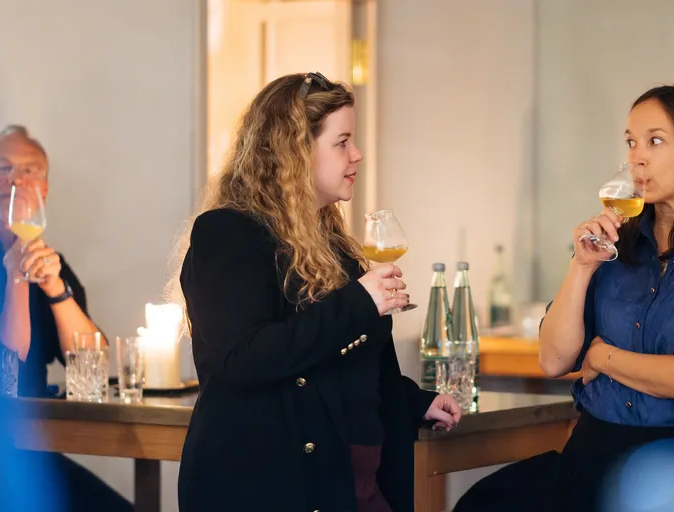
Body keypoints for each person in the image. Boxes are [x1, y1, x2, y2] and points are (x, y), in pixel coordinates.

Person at [454, 85, 674, 512]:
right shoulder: (614, 244)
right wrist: (582, 266)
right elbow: (553, 360)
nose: (637, 157)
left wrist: (601, 357)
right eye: (631, 142)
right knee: (482, 502)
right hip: (594, 451)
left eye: (655, 141)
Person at [174, 72, 462, 512]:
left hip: (351, 485)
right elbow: (241, 358)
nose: (357, 154)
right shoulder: (227, 232)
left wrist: (413, 401)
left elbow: (350, 367)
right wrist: (359, 303)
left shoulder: (333, 243)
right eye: (342, 142)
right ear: (296, 152)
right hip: (269, 487)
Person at [0, 125, 132, 512]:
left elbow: (92, 368)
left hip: (31, 450)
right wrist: (16, 280)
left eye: (29, 170)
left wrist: (56, 289)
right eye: (2, 168)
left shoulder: (50, 262)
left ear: (45, 189)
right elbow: (1, 381)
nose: (17, 180)